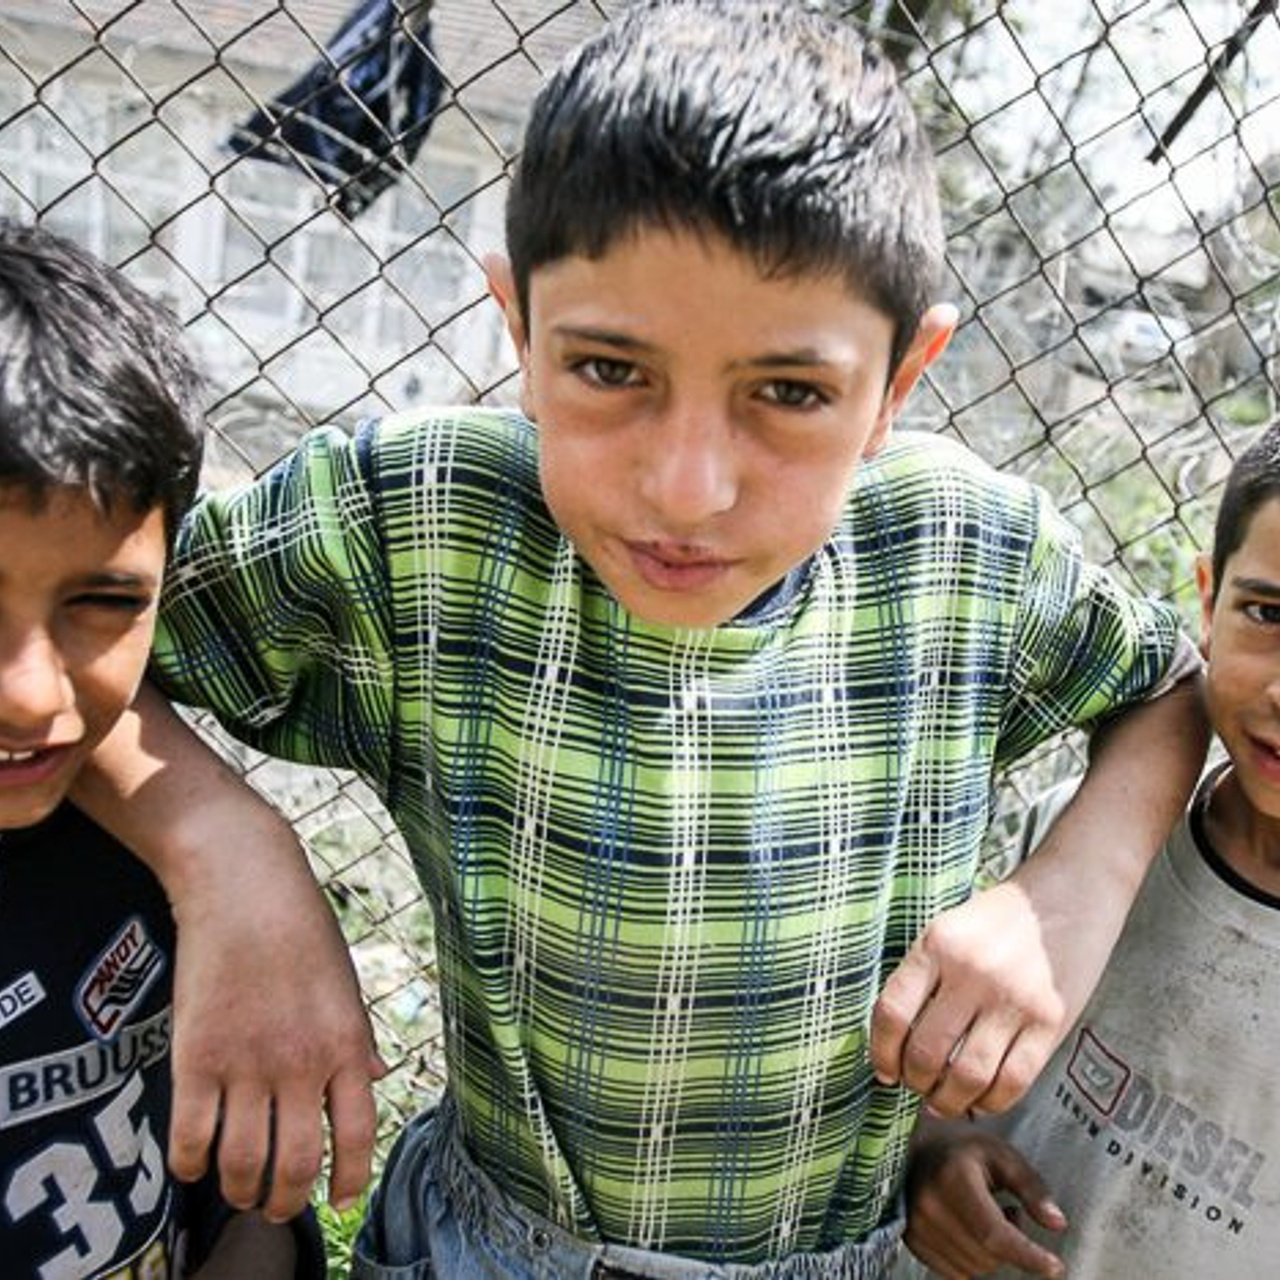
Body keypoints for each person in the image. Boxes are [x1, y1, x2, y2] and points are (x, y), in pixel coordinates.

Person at [82, 1, 1208, 1275]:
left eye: (787, 393)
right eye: (610, 370)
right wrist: (226, 849)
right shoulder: (419, 526)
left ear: (899, 381)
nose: (686, 488)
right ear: (518, 328)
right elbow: (70, 648)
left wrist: (1066, 892)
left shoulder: (966, 550)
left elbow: (1166, 685)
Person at [0, 222, 329, 1276]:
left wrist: (233, 848)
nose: (31, 693)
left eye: (102, 602)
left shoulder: (154, 864)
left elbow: (245, 1215)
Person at [897, 422, 1280, 1280]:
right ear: (1207, 602)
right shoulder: (1084, 831)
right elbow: (947, 1094)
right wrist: (937, 1158)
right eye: (1269, 613)